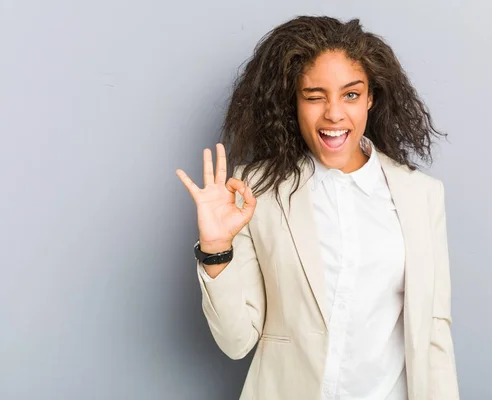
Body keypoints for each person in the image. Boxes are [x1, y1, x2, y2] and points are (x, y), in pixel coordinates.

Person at [176, 15, 459, 400]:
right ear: (292, 102)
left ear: (371, 98)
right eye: (314, 96)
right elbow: (236, 341)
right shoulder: (256, 190)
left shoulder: (422, 195)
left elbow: (433, 335)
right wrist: (215, 247)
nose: (334, 114)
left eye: (351, 94)